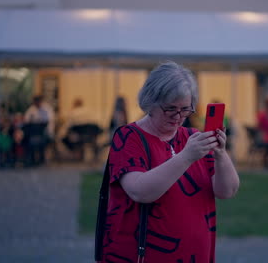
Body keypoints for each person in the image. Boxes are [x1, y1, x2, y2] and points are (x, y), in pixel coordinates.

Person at [100, 61, 240, 262]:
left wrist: (220, 154)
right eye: (170, 109)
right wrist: (186, 157)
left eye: (185, 109)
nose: (178, 116)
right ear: (150, 102)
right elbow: (140, 191)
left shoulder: (192, 137)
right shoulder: (129, 136)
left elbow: (228, 191)